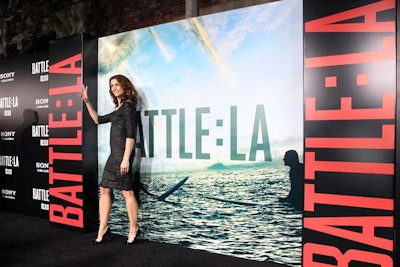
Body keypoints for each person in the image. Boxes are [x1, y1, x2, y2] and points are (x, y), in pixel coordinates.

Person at [79, 74, 140, 245]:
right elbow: (97, 119)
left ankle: (134, 229)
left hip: (122, 156)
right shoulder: (118, 109)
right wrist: (87, 101)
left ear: (125, 86)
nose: (114, 88)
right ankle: (103, 228)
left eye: (117, 84)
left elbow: (130, 134)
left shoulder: (128, 107)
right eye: (111, 85)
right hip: (114, 156)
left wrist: (126, 159)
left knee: (127, 192)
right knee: (105, 190)